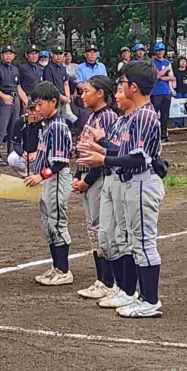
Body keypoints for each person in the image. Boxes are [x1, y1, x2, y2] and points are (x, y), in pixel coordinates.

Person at [78, 60, 165, 318]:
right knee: (130, 240)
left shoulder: (146, 115)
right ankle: (137, 294)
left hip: (140, 181)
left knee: (142, 242)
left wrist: (102, 158)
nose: (120, 88)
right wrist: (102, 148)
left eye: (123, 83)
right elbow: (126, 151)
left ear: (134, 87)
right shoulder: (137, 115)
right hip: (130, 181)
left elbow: (138, 159)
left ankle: (150, 300)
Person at [85, 81, 138, 310]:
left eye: (120, 90)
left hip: (118, 179)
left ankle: (125, 288)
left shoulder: (117, 118)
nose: (118, 95)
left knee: (123, 236)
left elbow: (130, 155)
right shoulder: (121, 120)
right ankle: (118, 287)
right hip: (108, 179)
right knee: (106, 235)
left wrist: (101, 151)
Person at [72, 76, 118, 300]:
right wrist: (77, 176)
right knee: (94, 229)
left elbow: (102, 156)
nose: (82, 95)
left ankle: (108, 281)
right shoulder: (93, 116)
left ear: (100, 93)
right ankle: (102, 279)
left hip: (98, 180)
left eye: (86, 91)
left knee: (101, 229)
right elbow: (83, 151)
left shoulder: (107, 117)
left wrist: (86, 180)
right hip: (88, 179)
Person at [24, 81, 73, 286]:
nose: (37, 109)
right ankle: (56, 267)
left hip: (56, 180)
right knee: (48, 225)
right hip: (47, 180)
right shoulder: (47, 126)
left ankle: (64, 270)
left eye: (39, 104)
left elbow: (60, 163)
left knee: (58, 223)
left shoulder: (59, 126)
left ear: (53, 102)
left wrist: (40, 176)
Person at [0, 45, 21, 167]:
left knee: (13, 129)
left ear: (14, 56)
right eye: (6, 53)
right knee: (1, 129)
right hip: (4, 98)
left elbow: (18, 86)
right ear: (2, 55)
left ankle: (11, 155)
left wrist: (22, 99)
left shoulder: (15, 69)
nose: (8, 56)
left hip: (16, 98)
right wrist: (3, 96)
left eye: (10, 53)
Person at [74, 44, 108, 132]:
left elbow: (105, 82)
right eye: (89, 52)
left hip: (100, 99)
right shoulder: (80, 67)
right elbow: (78, 83)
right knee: (85, 125)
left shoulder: (102, 66)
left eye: (94, 52)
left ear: (97, 54)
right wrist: (89, 90)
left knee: (102, 123)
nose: (92, 54)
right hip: (87, 98)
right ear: (85, 54)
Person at [7, 99, 42, 178]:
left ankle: (40, 176)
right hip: (26, 154)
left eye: (35, 110)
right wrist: (23, 153)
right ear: (27, 110)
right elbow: (16, 144)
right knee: (12, 159)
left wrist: (37, 153)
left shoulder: (45, 122)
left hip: (40, 154)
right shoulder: (20, 122)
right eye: (31, 110)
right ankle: (28, 175)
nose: (33, 113)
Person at [43, 45, 78, 124]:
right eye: (56, 54)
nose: (59, 56)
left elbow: (66, 84)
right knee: (54, 121)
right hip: (53, 99)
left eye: (61, 54)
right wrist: (61, 97)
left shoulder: (63, 68)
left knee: (63, 121)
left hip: (63, 99)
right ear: (52, 54)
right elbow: (50, 86)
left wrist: (67, 97)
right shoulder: (48, 68)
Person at [151, 42, 174, 142]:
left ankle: (164, 135)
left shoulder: (167, 62)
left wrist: (162, 76)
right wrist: (166, 70)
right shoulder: (152, 62)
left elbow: (172, 77)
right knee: (154, 115)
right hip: (156, 92)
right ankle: (153, 135)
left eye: (162, 50)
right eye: (158, 50)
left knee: (165, 115)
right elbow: (155, 76)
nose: (160, 52)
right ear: (155, 52)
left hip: (166, 92)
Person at [172, 56, 187, 128]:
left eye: (184, 61)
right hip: (178, 92)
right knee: (177, 109)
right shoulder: (175, 72)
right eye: (181, 61)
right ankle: (177, 125)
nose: (183, 63)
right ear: (179, 63)